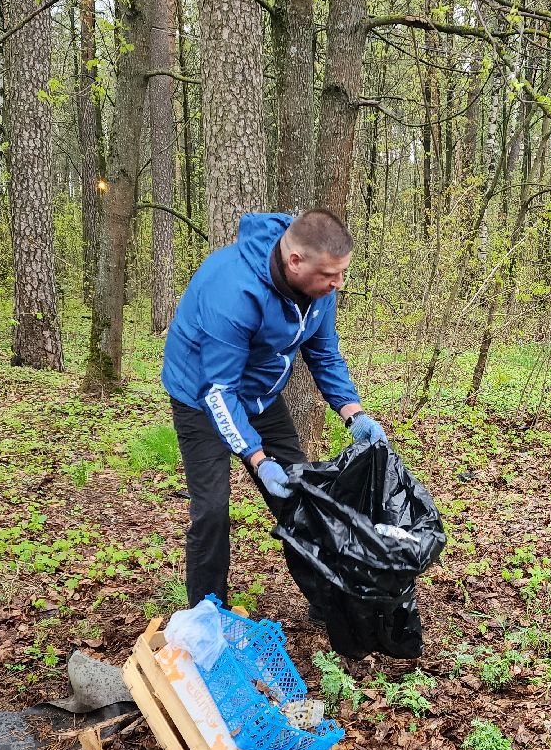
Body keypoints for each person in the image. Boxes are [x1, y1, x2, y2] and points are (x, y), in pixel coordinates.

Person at [162, 209, 388, 609]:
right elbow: (220, 392)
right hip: (202, 396)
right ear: (295, 262)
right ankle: (207, 615)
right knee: (212, 511)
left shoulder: (321, 290)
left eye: (342, 273)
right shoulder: (233, 290)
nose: (338, 283)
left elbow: (324, 352)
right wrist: (258, 459)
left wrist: (354, 413)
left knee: (299, 496)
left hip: (260, 395)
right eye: (330, 275)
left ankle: (327, 602)